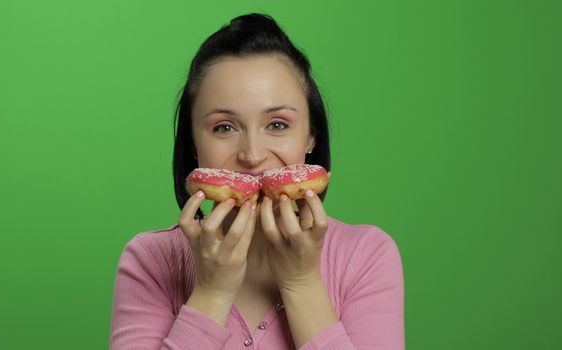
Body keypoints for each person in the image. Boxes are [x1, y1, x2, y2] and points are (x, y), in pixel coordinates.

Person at [110, 13, 405, 350]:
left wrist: (302, 283)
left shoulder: (365, 256)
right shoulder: (151, 260)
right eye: (224, 127)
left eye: (278, 124)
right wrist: (212, 292)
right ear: (193, 145)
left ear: (311, 136)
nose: (252, 155)